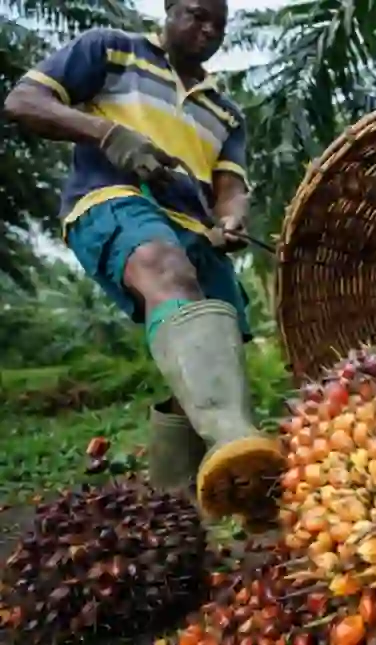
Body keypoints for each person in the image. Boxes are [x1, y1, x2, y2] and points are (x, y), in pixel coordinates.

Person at [3, 0, 286, 528]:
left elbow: (230, 185)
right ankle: (239, 448)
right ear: (168, 9)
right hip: (113, 198)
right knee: (165, 268)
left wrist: (230, 220)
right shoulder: (111, 49)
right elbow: (23, 100)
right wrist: (110, 135)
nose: (207, 30)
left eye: (218, 25)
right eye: (197, 15)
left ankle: (175, 516)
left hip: (197, 230)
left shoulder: (226, 111)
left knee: (209, 360)